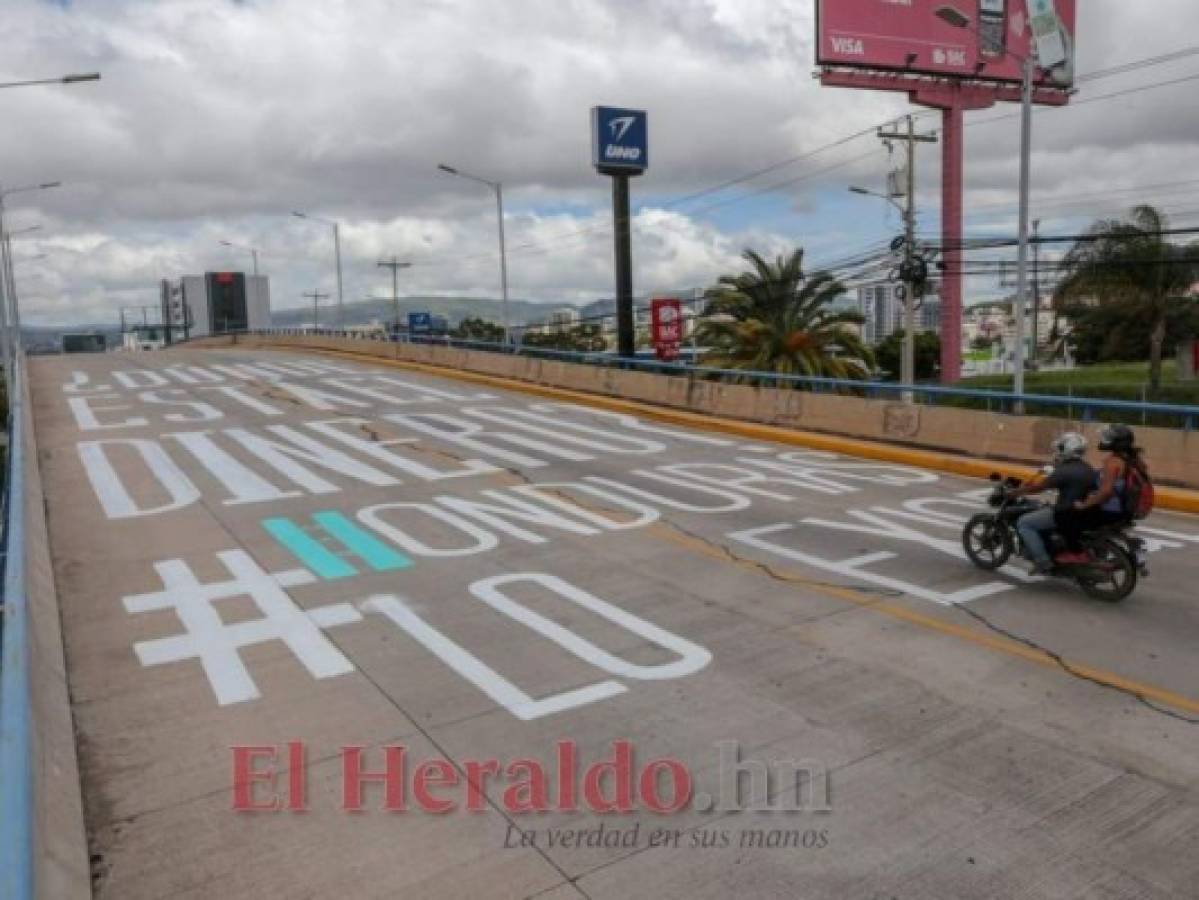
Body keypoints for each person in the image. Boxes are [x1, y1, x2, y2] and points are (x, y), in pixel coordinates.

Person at [1055, 424, 1147, 564]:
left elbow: (1105, 493)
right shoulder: (1135, 460)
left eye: (1108, 438)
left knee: (1063, 514)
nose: (1104, 440)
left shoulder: (1113, 462)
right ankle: (1094, 548)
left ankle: (1076, 553)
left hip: (1111, 512)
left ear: (1116, 442)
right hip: (1127, 510)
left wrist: (1083, 505)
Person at [1008, 432, 1096, 575]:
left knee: (1024, 523)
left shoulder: (1064, 471)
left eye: (1061, 448)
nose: (1058, 451)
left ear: (1068, 450)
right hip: (1084, 513)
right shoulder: (1087, 467)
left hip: (1066, 512)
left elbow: (1039, 488)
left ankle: (1043, 562)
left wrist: (1017, 492)